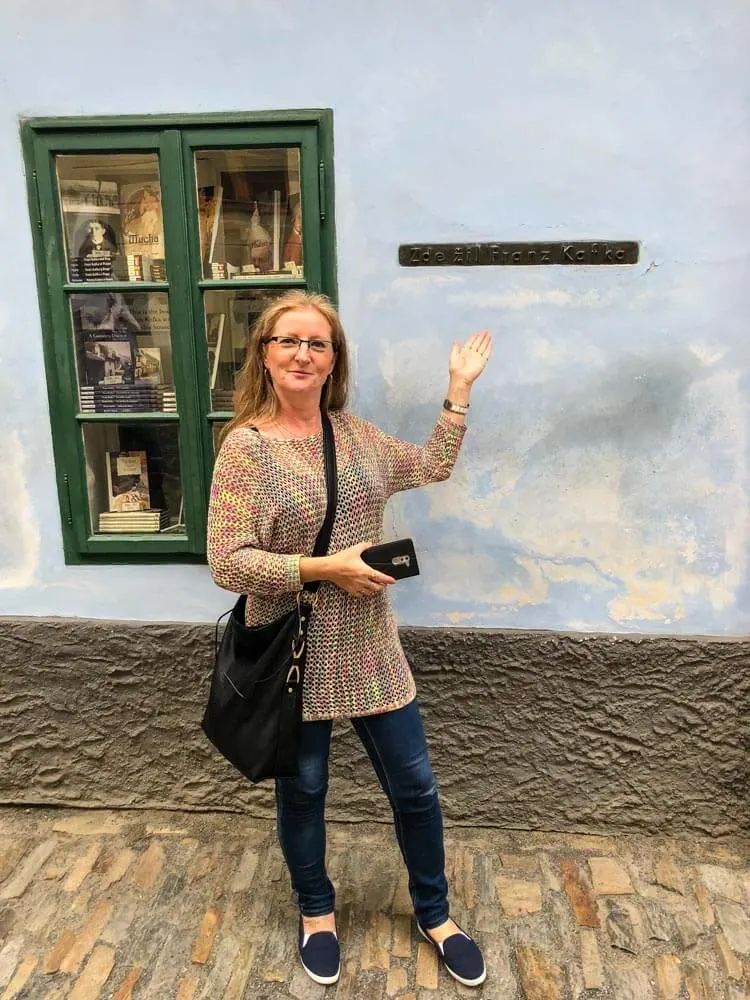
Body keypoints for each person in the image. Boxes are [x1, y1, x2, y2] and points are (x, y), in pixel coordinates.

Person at [207, 290, 492, 989]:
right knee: (304, 792)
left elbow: (431, 466)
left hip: (369, 648)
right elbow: (228, 562)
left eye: (318, 343)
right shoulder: (246, 450)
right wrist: (323, 568)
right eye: (289, 341)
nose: (303, 354)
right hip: (293, 653)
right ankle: (316, 914)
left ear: (334, 359)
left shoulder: (356, 437)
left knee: (418, 790)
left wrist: (457, 394)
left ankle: (437, 914)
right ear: (265, 356)